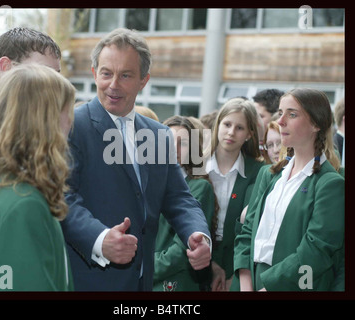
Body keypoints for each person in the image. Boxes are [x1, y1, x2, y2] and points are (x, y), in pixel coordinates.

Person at [61, 28, 211, 291]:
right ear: (94, 73)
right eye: (106, 73)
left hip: (142, 282)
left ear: (144, 80)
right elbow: (63, 197)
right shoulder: (73, 125)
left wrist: (198, 235)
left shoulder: (160, 134)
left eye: (126, 75)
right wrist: (100, 238)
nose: (114, 84)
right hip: (89, 280)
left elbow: (178, 197)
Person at [0, 64, 76, 291]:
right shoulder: (24, 204)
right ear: (47, 121)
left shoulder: (0, 187)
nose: (71, 122)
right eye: (68, 111)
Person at [233, 88, 344, 291]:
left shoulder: (330, 184)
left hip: (290, 285)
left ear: (316, 124)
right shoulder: (270, 174)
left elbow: (316, 251)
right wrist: (246, 284)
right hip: (250, 280)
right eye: (281, 112)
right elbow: (247, 231)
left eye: (292, 114)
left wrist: (269, 287)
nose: (281, 121)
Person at [0, 27, 61, 153]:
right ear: (6, 67)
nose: (54, 83)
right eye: (43, 71)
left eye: (56, 75)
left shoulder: (44, 122)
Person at [204, 98, 264, 291]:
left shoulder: (258, 171)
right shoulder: (195, 165)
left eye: (239, 128)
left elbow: (251, 228)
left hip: (237, 263)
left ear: (249, 134)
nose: (231, 132)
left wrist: (234, 273)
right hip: (195, 260)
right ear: (217, 125)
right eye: (227, 124)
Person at [153, 116, 217, 291]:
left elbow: (182, 251)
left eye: (183, 143)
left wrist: (142, 268)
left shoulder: (199, 187)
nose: (174, 147)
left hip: (172, 283)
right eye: (168, 140)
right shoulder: (143, 183)